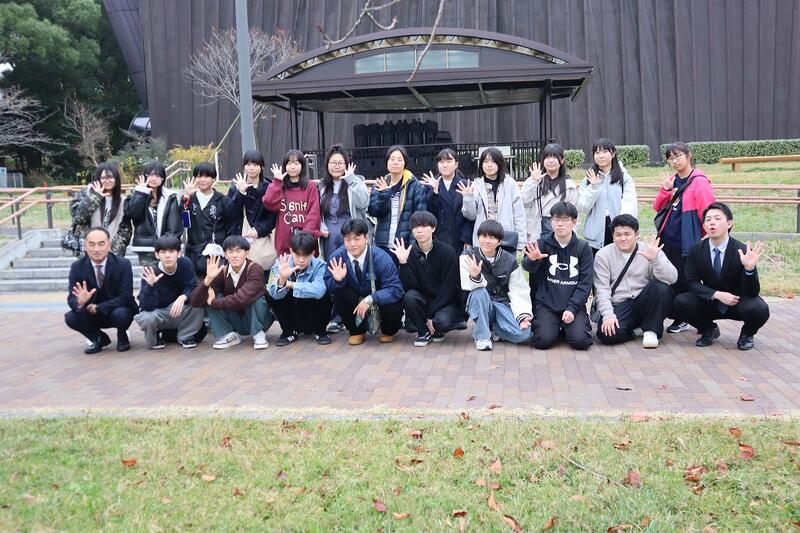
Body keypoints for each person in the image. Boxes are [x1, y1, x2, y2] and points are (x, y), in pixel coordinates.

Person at [672, 202, 770, 350]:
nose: (712, 222)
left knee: (759, 308)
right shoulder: (696, 250)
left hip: (737, 302)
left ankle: (747, 334)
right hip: (711, 301)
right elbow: (691, 282)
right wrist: (715, 294)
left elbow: (752, 293)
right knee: (681, 302)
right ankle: (708, 330)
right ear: (704, 226)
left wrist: (749, 269)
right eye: (708, 219)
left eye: (717, 218)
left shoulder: (742, 250)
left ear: (729, 223)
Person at [653, 142, 717, 333]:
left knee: (685, 281)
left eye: (678, 156)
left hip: (686, 242)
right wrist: (665, 190)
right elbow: (657, 207)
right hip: (667, 239)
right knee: (670, 279)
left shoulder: (699, 182)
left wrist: (702, 238)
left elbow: (708, 213)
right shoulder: (672, 180)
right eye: (670, 158)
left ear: (689, 156)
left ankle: (690, 319)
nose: (674, 161)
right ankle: (678, 316)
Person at [593, 215, 677, 348]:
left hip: (645, 301)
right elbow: (602, 289)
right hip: (620, 304)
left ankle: (651, 331)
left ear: (637, 234)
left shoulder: (649, 249)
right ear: (613, 236)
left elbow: (672, 278)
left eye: (627, 234)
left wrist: (655, 260)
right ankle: (637, 330)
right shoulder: (603, 255)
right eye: (618, 235)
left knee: (661, 287)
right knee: (607, 334)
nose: (622, 238)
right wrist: (608, 315)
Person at [523, 201, 594, 351]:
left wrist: (572, 308)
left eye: (565, 219)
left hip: (572, 305)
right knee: (542, 341)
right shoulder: (542, 244)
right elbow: (527, 267)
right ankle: (555, 327)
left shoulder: (583, 248)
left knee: (581, 341)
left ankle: (568, 327)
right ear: (551, 221)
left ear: (574, 222)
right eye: (556, 219)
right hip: (547, 304)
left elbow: (585, 283)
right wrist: (532, 260)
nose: (559, 224)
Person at [323, 219, 404, 346]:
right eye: (348, 239)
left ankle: (388, 331)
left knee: (393, 302)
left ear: (366, 238)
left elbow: (396, 289)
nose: (352, 244)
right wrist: (338, 281)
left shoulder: (381, 258)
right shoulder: (336, 258)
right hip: (354, 298)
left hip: (377, 297)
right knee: (340, 294)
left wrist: (371, 299)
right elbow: (329, 288)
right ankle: (356, 331)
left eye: (357, 239)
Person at [316, 144, 370, 334]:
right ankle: (337, 316)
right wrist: (320, 225)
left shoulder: (356, 181)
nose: (336, 166)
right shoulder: (321, 186)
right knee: (335, 273)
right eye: (333, 163)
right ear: (327, 165)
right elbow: (315, 211)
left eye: (340, 163)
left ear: (347, 164)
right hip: (330, 236)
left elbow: (364, 203)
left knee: (354, 272)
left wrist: (351, 180)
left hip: (351, 234)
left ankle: (356, 311)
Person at [390, 211, 462, 347]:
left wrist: (431, 314)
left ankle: (436, 328)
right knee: (409, 297)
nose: (419, 231)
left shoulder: (448, 252)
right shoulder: (409, 253)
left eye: (424, 226)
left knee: (442, 322)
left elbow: (449, 288)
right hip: (423, 300)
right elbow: (409, 286)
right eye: (415, 227)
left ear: (433, 228)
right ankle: (423, 332)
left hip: (445, 301)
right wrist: (403, 263)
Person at [460, 220, 532, 351]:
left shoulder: (509, 260)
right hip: (481, 304)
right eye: (484, 236)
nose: (487, 241)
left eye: (492, 237)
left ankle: (495, 329)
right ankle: (482, 336)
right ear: (478, 237)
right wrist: (475, 277)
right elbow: (466, 285)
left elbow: (519, 290)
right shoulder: (468, 255)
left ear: (499, 241)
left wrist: (523, 316)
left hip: (502, 304)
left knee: (524, 334)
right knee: (479, 291)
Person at [64, 227, 137, 354]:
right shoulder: (77, 267)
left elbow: (126, 297)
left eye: (101, 244)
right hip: (91, 313)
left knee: (122, 314)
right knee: (71, 318)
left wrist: (99, 307)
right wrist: (80, 301)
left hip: (116, 309)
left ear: (109, 245)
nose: (96, 249)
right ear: (85, 246)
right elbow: (71, 299)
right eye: (92, 244)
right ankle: (98, 338)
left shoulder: (122, 264)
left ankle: (122, 336)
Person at [189, 235, 269, 350]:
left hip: (260, 320)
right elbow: (195, 302)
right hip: (238, 320)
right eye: (230, 252)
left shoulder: (255, 269)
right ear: (225, 255)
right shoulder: (222, 271)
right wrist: (207, 280)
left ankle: (258, 334)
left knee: (257, 299)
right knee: (209, 294)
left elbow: (242, 298)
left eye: (238, 251)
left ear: (247, 253)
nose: (234, 255)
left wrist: (213, 303)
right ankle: (228, 335)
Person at [133, 235, 205, 349]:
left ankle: (185, 336)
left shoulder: (185, 264)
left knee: (198, 301)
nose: (167, 255)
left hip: (178, 310)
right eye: (163, 252)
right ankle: (154, 339)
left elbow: (192, 287)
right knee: (147, 317)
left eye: (171, 251)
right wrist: (150, 286)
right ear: (157, 255)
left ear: (179, 253)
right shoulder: (151, 272)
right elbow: (145, 306)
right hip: (159, 313)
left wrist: (183, 297)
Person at [267, 231, 333, 347]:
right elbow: (273, 294)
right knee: (274, 289)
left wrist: (291, 284)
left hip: (313, 313)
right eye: (297, 255)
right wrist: (282, 279)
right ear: (291, 251)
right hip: (292, 313)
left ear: (313, 253)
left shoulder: (320, 265)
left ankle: (320, 331)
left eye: (306, 255)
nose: (301, 260)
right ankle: (288, 332)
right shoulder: (281, 263)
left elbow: (319, 291)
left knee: (325, 291)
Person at [576, 138, 638, 253]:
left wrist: (623, 228)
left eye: (605, 152)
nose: (601, 156)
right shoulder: (588, 179)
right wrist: (593, 187)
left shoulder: (624, 178)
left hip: (618, 227)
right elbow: (582, 207)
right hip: (595, 231)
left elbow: (629, 205)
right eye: (597, 152)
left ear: (613, 154)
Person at [460, 147, 526, 252]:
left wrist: (521, 243)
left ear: (499, 163)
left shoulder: (510, 184)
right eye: (485, 161)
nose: (489, 165)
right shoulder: (476, 185)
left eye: (493, 161)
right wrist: (468, 198)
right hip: (483, 239)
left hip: (506, 238)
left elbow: (519, 215)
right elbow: (470, 216)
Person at [368, 145, 430, 256]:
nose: (395, 162)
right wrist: (384, 194)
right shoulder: (380, 184)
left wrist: (412, 247)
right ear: (387, 162)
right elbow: (374, 212)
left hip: (404, 245)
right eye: (392, 159)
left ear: (405, 163)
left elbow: (419, 218)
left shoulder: (414, 186)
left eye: (399, 159)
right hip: (383, 245)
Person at [226, 150, 278, 276]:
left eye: (255, 164)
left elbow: (273, 217)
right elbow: (229, 214)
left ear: (262, 167)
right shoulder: (235, 188)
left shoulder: (269, 188)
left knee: (260, 279)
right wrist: (241, 193)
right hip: (239, 239)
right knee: (239, 279)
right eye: (248, 164)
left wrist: (258, 230)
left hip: (261, 241)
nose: (251, 168)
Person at [262, 149, 322, 257]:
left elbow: (314, 213)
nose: (292, 167)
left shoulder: (310, 186)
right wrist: (276, 182)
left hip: (306, 244)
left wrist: (305, 237)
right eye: (289, 163)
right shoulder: (279, 186)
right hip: (284, 244)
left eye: (296, 163)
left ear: (302, 166)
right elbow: (268, 203)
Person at [124, 161, 183, 266]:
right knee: (149, 274)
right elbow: (133, 214)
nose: (154, 179)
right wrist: (141, 193)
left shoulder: (170, 197)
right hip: (145, 247)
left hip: (167, 248)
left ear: (163, 178)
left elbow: (174, 225)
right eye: (150, 175)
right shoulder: (137, 195)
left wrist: (169, 244)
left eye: (157, 175)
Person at [70, 162, 132, 257]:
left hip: (113, 252)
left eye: (111, 177)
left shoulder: (123, 201)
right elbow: (78, 218)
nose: (107, 180)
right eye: (104, 178)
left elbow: (125, 230)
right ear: (98, 179)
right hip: (89, 250)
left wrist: (113, 248)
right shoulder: (85, 195)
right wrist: (95, 197)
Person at [182, 162, 232, 277]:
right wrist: (186, 199)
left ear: (213, 179)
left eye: (207, 176)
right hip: (193, 251)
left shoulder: (222, 200)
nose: (202, 180)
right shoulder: (190, 198)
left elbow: (229, 224)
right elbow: (185, 222)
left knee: (214, 283)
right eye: (199, 176)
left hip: (214, 251)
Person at [521, 142, 578, 242]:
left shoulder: (569, 185)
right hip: (536, 231)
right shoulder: (534, 181)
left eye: (555, 157)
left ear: (562, 160)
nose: (551, 161)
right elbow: (524, 202)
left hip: (560, 231)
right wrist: (533, 181)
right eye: (547, 157)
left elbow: (573, 213)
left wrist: (572, 237)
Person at [421, 148, 474, 250]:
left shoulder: (466, 185)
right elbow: (428, 212)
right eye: (441, 162)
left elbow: (470, 216)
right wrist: (434, 191)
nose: (445, 165)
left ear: (456, 164)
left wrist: (467, 238)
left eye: (449, 161)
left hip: (459, 238)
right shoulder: (429, 185)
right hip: (438, 238)